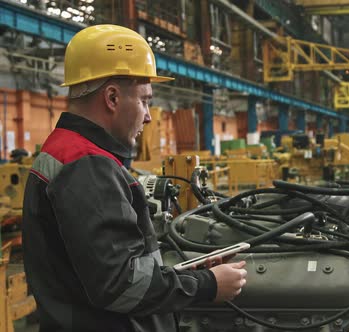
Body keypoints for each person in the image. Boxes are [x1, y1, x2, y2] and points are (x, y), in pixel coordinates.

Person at [22, 24, 247, 332]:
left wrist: (184, 274)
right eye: (145, 100)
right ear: (112, 98)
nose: (148, 115)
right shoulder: (87, 164)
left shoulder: (66, 149)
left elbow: (105, 270)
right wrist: (207, 285)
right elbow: (120, 285)